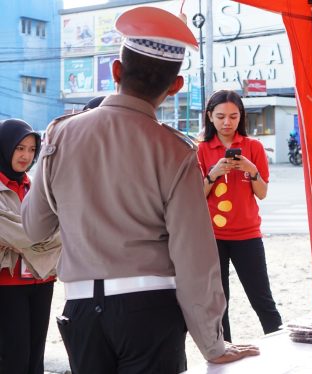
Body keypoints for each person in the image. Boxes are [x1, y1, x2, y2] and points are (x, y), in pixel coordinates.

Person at [21, 7, 258, 373]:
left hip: (81, 310)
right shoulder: (175, 150)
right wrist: (212, 342)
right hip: (150, 312)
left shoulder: (60, 133)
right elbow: (194, 254)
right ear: (175, 85)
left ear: (116, 71)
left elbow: (35, 228)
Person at [197, 90, 282, 342]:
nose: (227, 122)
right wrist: (213, 173)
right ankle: (224, 351)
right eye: (221, 116)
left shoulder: (252, 147)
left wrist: (251, 169)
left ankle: (280, 348)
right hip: (212, 237)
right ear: (210, 117)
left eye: (233, 116)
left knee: (262, 298)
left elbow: (262, 193)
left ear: (241, 117)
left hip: (248, 235)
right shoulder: (200, 149)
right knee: (219, 301)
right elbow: (196, 197)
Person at [0, 119, 61, 374]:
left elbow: (63, 230)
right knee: (13, 359)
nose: (26, 155)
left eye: (32, 149)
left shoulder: (36, 186)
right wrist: (45, 235)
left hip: (43, 279)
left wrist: (36, 236)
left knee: (36, 361)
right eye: (19, 148)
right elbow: (20, 235)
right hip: (8, 286)